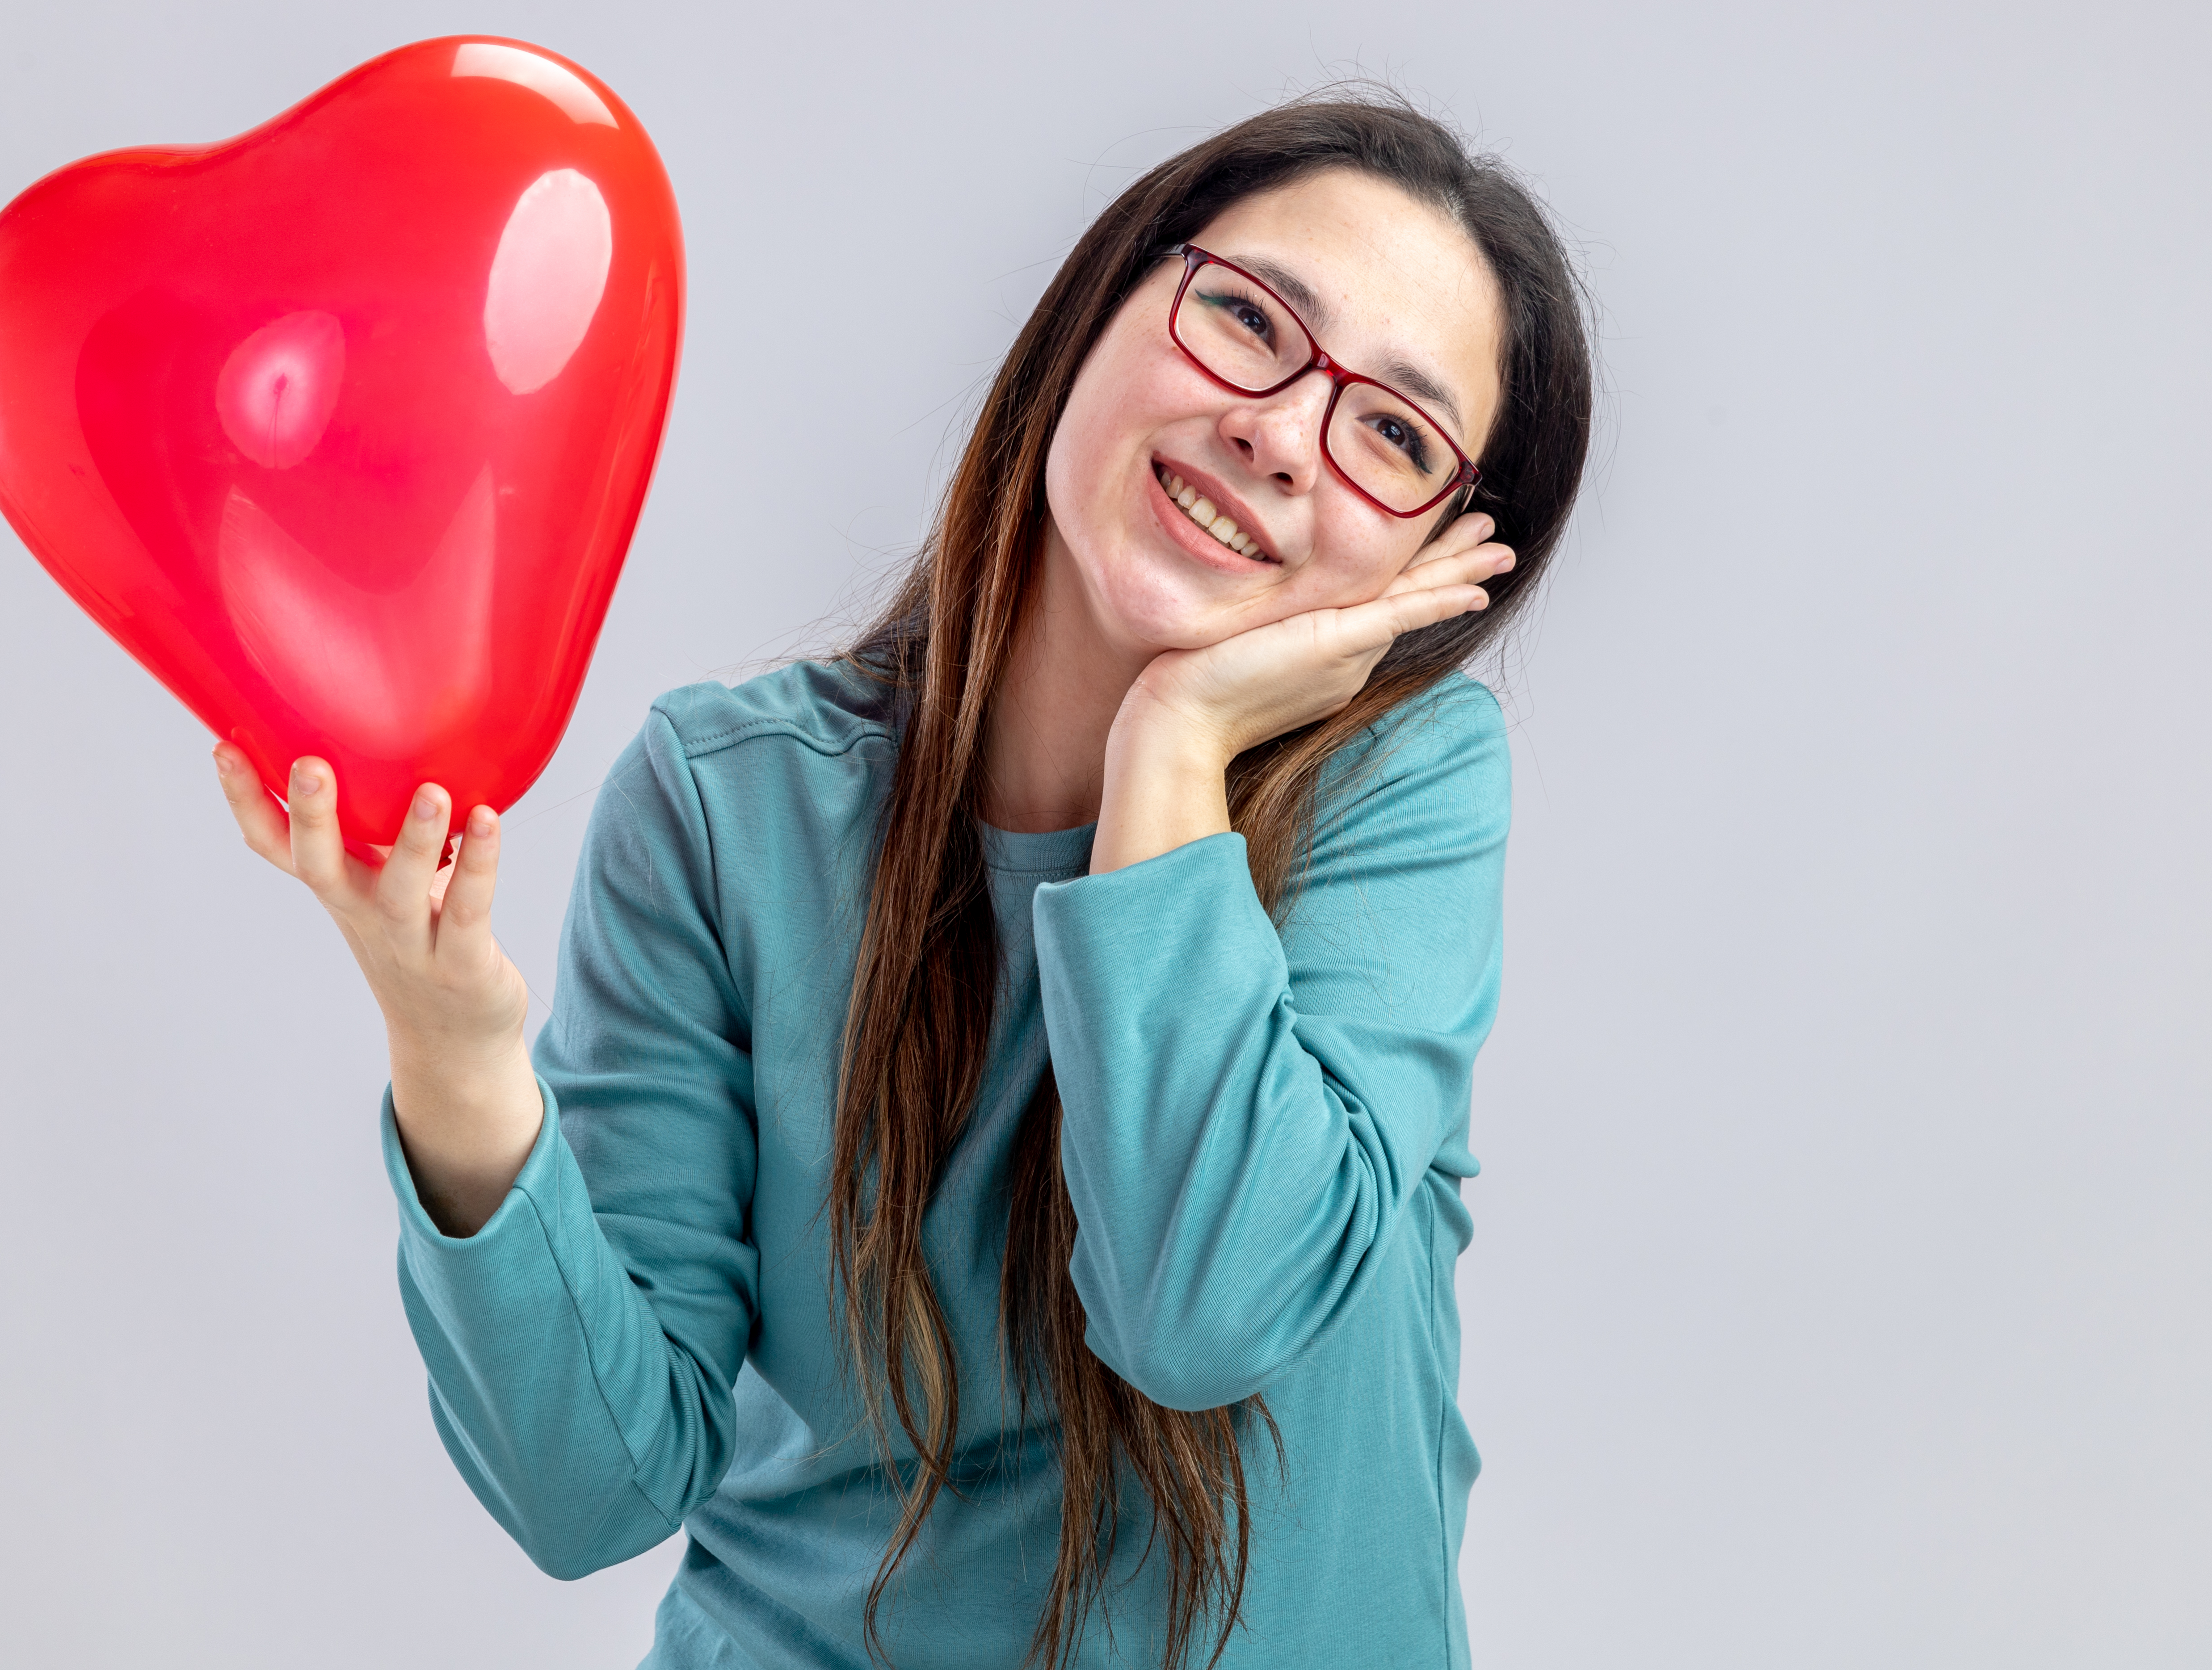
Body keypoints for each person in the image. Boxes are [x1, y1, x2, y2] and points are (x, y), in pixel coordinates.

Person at [213, 93, 1592, 1670]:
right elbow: (591, 1491)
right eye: (1246, 319)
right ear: (1102, 308)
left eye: (1393, 436)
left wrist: (1173, 747)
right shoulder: (727, 806)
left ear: (1439, 562)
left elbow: (1204, 1312)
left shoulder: (1398, 790)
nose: (1281, 432)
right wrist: (453, 1052)